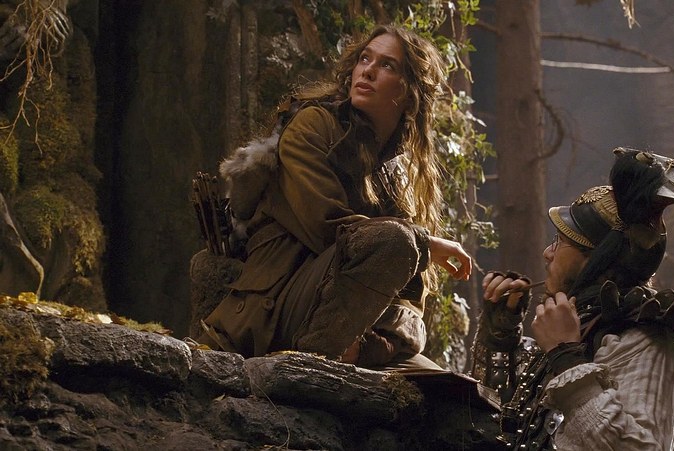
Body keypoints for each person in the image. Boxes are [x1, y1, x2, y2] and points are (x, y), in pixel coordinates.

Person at [196, 24, 471, 371]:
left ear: (410, 91)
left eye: (387, 65)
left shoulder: (399, 171)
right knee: (396, 242)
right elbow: (330, 228)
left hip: (348, 322)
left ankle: (339, 354)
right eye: (365, 59)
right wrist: (425, 243)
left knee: (446, 386)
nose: (367, 70)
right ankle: (312, 365)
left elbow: (411, 299)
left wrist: (377, 346)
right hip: (272, 310)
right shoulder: (312, 125)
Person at [471, 148, 674, 450]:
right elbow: (513, 427)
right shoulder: (581, 325)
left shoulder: (651, 343)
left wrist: (568, 359)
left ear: (598, 259)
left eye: (562, 241)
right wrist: (501, 336)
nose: (548, 253)